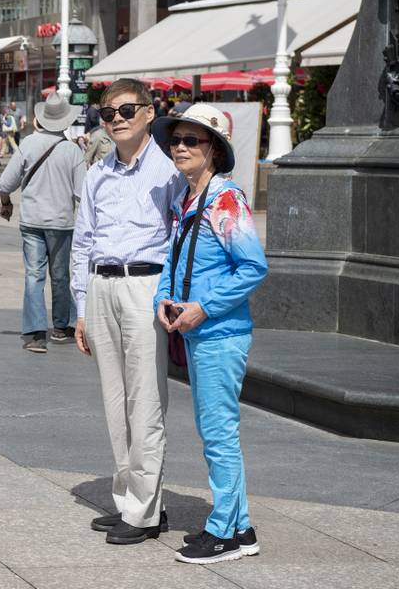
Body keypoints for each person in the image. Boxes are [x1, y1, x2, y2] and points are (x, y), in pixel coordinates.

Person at [71, 78, 186, 545]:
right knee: (115, 401)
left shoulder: (170, 173)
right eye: (107, 113)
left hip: (145, 285)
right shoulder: (97, 172)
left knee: (146, 402)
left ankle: (145, 509)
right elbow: (82, 242)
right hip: (102, 285)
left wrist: (170, 297)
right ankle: (130, 499)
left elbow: (180, 243)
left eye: (125, 110)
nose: (115, 119)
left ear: (147, 112)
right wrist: (80, 306)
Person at [151, 104, 267, 565]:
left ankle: (223, 532)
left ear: (214, 150)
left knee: (219, 433)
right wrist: (165, 295)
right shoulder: (188, 197)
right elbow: (175, 259)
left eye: (191, 141)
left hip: (220, 333)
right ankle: (240, 528)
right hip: (199, 331)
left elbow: (253, 267)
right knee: (215, 431)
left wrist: (203, 306)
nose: (179, 147)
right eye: (175, 139)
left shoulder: (225, 200)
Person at [0, 93, 86, 353]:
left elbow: (5, 184)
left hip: (32, 221)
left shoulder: (28, 144)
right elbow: (82, 193)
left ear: (40, 119)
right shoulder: (73, 150)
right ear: (65, 123)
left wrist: (6, 203)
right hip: (61, 223)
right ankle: (61, 326)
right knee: (60, 276)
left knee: (34, 276)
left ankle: (36, 334)